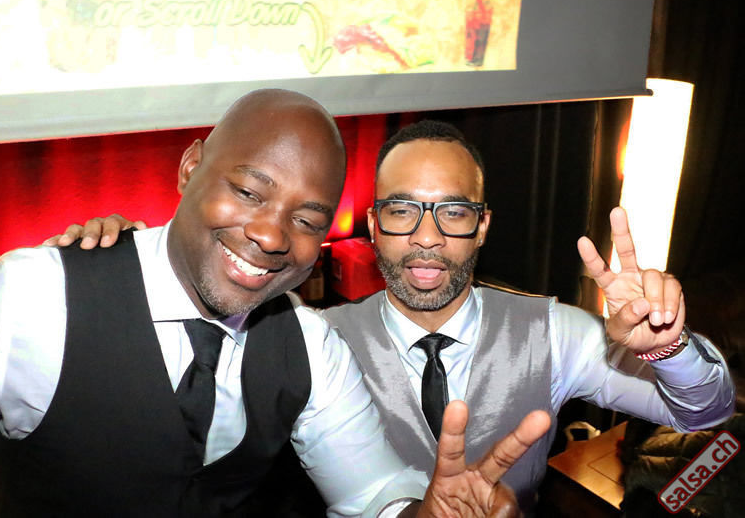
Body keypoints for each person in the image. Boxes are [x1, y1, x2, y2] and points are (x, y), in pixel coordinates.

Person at [48, 119, 735, 514]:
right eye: (403, 210)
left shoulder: (553, 332)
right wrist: (128, 261)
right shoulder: (309, 345)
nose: (427, 238)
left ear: (482, 225)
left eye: (453, 212)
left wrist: (667, 345)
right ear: (374, 224)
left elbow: (705, 413)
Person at [0, 93, 552, 517]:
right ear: (191, 167)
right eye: (247, 191)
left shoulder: (310, 347)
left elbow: (373, 491)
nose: (270, 234)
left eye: (307, 220)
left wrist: (424, 514)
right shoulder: (29, 302)